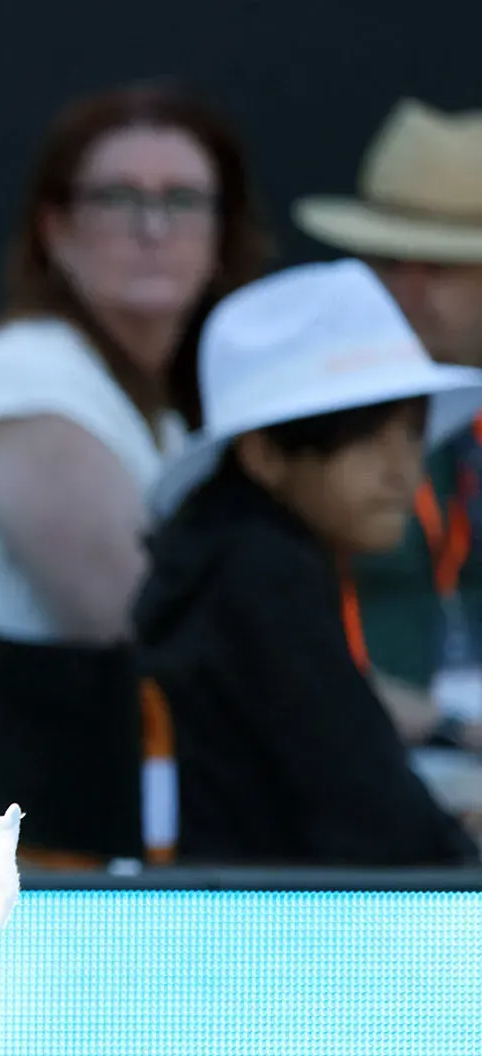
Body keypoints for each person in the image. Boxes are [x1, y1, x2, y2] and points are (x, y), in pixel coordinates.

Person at [0, 83, 269, 860]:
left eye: (182, 199)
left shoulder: (160, 405)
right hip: (21, 864)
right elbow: (153, 624)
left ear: (222, 231)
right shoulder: (27, 382)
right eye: (117, 199)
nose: (152, 227)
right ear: (57, 229)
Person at [136, 259, 481, 865]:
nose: (404, 470)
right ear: (265, 455)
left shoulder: (227, 558)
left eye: (410, 433)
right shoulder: (261, 576)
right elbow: (380, 825)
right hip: (265, 941)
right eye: (366, 437)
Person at [297, 101, 482, 759]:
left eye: (440, 267)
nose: (406, 289)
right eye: (387, 261)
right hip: (354, 763)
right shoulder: (299, 422)